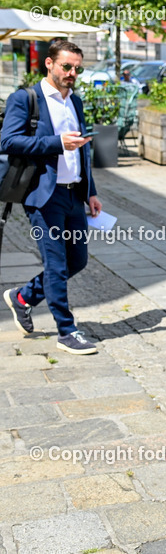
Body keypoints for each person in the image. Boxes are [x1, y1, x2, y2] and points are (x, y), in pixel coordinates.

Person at [2, 39, 102, 355]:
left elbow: (83, 150)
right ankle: (67, 331)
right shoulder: (26, 98)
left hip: (74, 194)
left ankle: (22, 298)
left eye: (76, 68)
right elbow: (9, 141)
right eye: (66, 66)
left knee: (78, 260)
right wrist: (56, 143)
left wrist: (92, 192)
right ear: (49, 63)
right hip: (43, 195)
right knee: (56, 264)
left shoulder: (77, 102)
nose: (72, 73)